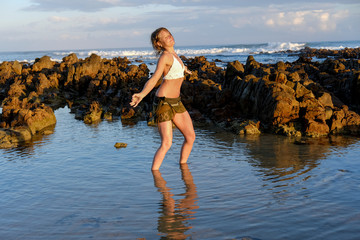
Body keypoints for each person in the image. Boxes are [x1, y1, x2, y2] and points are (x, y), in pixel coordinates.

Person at [130, 27, 196, 170]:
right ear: (158, 43)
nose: (169, 37)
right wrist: (141, 94)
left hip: (176, 102)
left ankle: (183, 167)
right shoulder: (165, 57)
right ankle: (155, 174)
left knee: (190, 137)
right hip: (164, 102)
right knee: (167, 143)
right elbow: (154, 79)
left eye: (169, 34)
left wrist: (185, 70)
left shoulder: (174, 55)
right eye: (165, 37)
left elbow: (174, 68)